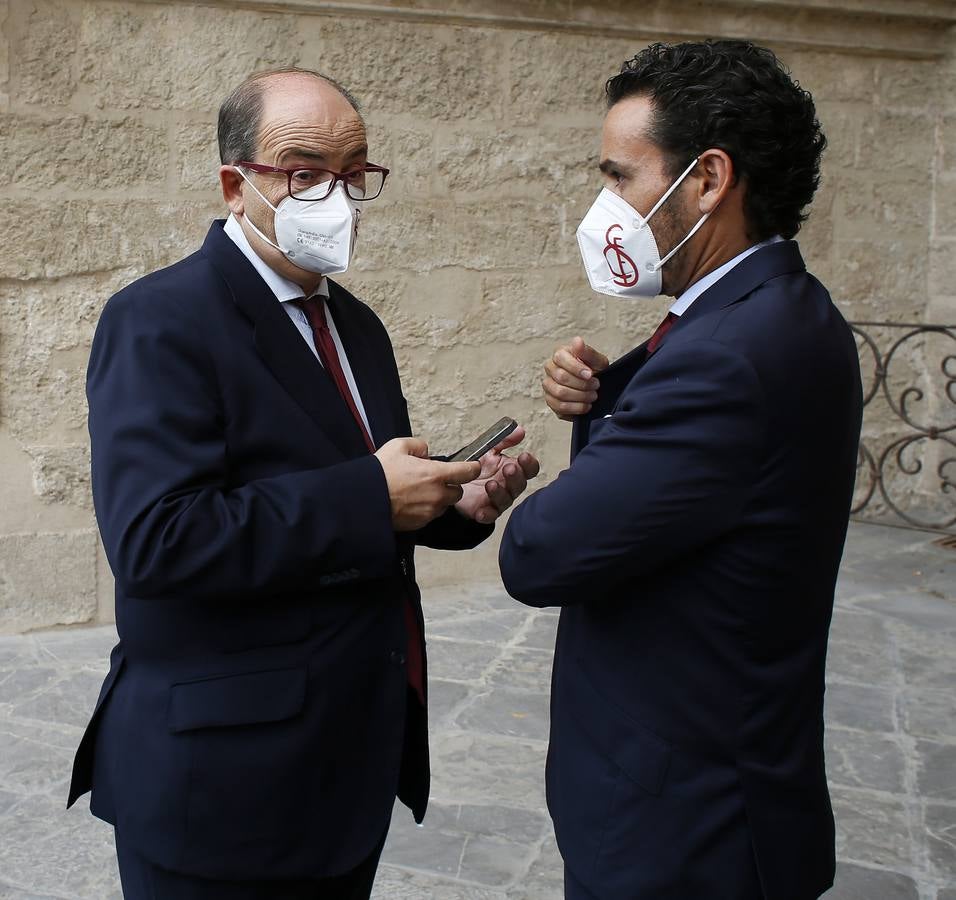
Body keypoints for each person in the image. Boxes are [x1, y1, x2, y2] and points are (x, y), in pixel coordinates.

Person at [67, 67, 538, 899]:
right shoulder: (159, 318)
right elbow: (156, 540)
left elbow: (368, 497)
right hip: (220, 781)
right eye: (303, 169)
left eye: (353, 171)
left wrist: (455, 505)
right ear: (234, 182)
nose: (335, 193)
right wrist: (372, 495)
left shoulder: (357, 324)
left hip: (343, 763)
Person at [499, 40, 862, 900]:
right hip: (724, 794)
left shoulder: (729, 355)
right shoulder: (782, 311)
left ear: (707, 180)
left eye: (620, 175)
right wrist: (603, 411)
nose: (605, 205)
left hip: (684, 832)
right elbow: (689, 501)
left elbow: (541, 555)